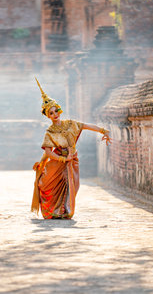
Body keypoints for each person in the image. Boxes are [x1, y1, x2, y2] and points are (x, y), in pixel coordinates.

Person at [32, 78, 111, 219]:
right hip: (58, 161)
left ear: (59, 110)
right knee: (46, 185)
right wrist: (62, 158)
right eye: (51, 113)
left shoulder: (70, 124)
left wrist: (103, 131)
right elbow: (48, 152)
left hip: (71, 160)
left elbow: (86, 126)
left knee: (73, 185)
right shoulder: (50, 132)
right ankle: (55, 212)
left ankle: (65, 210)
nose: (55, 115)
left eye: (56, 111)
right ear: (47, 116)